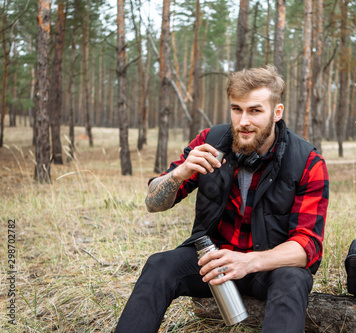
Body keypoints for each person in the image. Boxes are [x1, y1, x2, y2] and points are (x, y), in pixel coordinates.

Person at [115, 65, 329, 333]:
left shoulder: (307, 162)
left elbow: (308, 246)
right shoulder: (209, 142)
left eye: (255, 110)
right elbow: (153, 203)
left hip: (269, 267)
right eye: (236, 109)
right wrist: (180, 174)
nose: (243, 122)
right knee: (160, 265)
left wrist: (249, 261)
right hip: (213, 262)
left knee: (292, 279)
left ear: (277, 112)